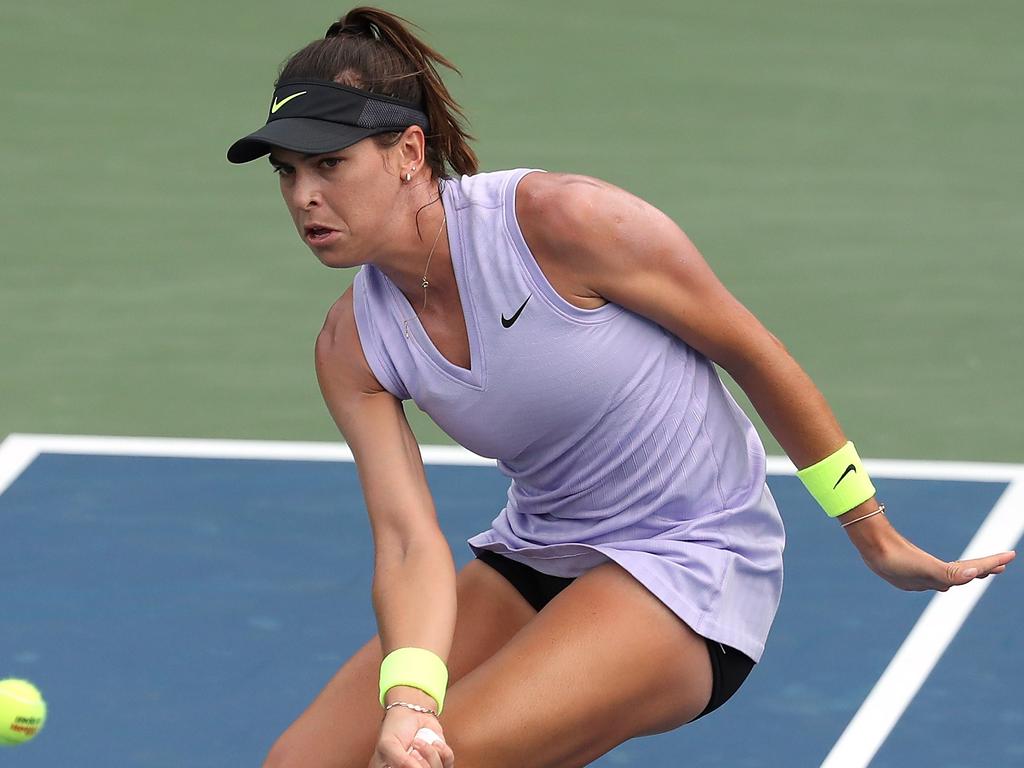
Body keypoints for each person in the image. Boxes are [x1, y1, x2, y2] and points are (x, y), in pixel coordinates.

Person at [227, 8, 1015, 768]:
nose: (303, 197)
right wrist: (409, 699)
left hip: (692, 559)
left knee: (447, 757)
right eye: (287, 173)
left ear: (407, 151)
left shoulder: (561, 222)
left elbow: (754, 353)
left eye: (329, 165)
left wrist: (870, 530)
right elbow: (405, 541)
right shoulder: (351, 343)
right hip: (540, 555)